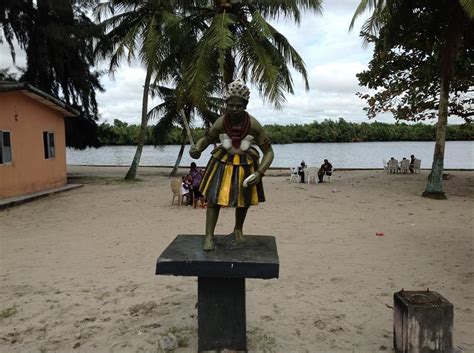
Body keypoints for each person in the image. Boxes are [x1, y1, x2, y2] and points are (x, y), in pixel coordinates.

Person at [189, 78, 274, 251]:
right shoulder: (221, 122)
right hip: (222, 162)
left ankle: (238, 230)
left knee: (243, 200)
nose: (234, 110)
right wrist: (198, 148)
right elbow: (207, 139)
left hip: (245, 164)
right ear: (226, 104)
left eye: (238, 106)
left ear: (245, 105)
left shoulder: (254, 126)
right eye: (231, 106)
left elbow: (269, 152)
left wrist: (260, 172)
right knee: (213, 199)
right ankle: (209, 236)